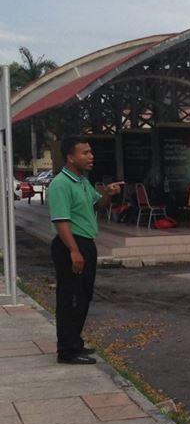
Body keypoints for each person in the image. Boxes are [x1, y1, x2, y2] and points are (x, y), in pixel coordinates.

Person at [48, 137, 124, 364]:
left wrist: (107, 194)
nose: (91, 156)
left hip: (85, 243)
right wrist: (74, 251)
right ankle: (67, 351)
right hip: (71, 244)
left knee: (82, 297)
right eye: (85, 153)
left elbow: (96, 205)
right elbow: (61, 221)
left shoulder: (82, 181)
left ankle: (75, 343)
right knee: (70, 298)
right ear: (70, 157)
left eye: (90, 152)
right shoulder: (61, 184)